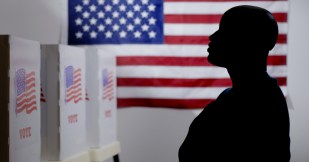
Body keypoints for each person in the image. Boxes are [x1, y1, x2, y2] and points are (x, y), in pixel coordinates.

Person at [178, 5, 290, 162]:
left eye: (225, 31)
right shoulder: (235, 97)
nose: (213, 36)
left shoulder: (260, 102)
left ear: (248, 41)